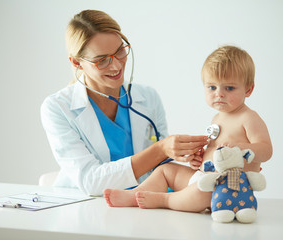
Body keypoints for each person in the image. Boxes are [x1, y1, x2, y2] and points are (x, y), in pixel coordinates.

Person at [40, 9, 208, 196]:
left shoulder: (148, 97)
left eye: (120, 51)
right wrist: (161, 149)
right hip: (87, 205)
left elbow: (161, 167)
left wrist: (186, 155)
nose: (116, 66)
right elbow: (90, 181)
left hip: (141, 200)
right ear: (76, 63)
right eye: (101, 60)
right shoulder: (57, 108)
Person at [103, 45, 273, 212]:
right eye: (212, 87)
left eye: (229, 88)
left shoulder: (248, 118)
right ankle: (135, 194)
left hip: (227, 188)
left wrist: (241, 149)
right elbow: (213, 154)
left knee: (204, 190)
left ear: (248, 89)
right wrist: (198, 160)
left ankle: (164, 199)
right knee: (165, 170)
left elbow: (266, 150)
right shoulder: (217, 117)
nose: (219, 93)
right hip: (204, 177)